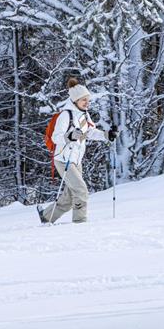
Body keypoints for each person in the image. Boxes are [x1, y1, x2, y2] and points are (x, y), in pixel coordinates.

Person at [37, 78, 117, 224]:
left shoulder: (84, 114)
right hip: (63, 160)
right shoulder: (65, 115)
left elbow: (90, 132)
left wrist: (107, 135)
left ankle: (46, 216)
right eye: (83, 100)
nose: (87, 103)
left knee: (69, 196)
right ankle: (80, 223)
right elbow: (56, 138)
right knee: (81, 191)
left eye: (88, 100)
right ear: (75, 100)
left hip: (76, 160)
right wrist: (70, 136)